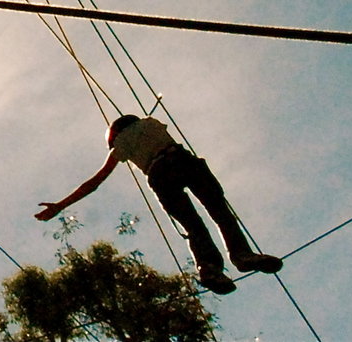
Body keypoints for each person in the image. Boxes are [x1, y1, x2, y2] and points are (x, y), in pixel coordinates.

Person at [35, 114, 282, 294]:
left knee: (192, 225)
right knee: (220, 212)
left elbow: (95, 182)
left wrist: (60, 205)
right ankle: (242, 255)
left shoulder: (120, 144)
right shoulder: (151, 123)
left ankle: (208, 267)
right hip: (185, 161)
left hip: (160, 173)